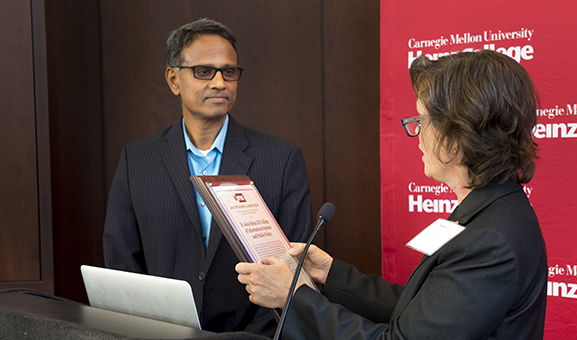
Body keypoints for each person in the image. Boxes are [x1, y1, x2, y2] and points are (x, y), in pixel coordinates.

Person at [236, 50, 548, 339]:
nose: (416, 134)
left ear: (459, 136)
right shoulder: (489, 210)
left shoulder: (489, 242)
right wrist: (330, 275)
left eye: (422, 121)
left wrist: (293, 298)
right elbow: (421, 310)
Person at [103, 18, 312, 336]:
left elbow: (293, 269)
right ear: (174, 80)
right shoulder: (136, 160)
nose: (220, 83)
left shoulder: (282, 159)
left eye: (229, 72)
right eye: (204, 71)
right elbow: (122, 263)